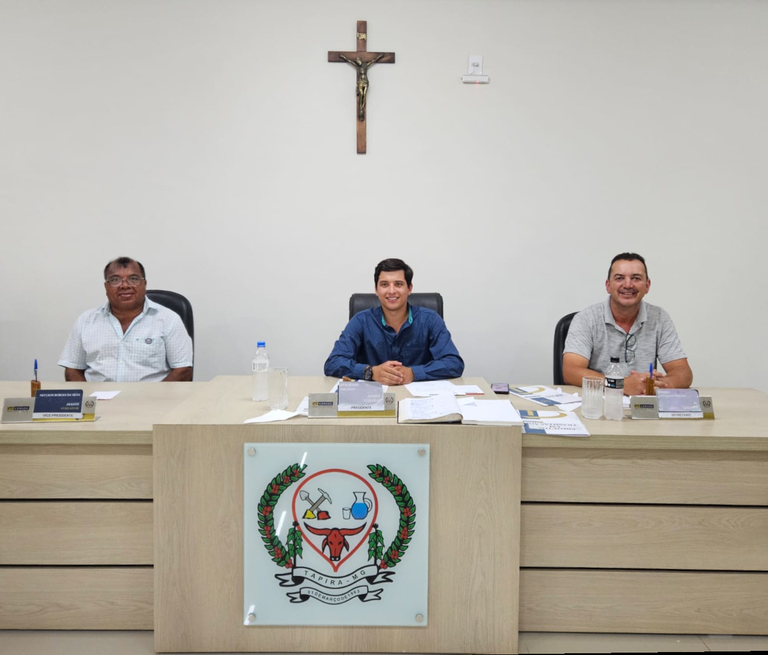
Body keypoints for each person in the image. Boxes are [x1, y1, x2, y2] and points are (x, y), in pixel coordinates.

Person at [563, 252, 692, 395]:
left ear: (647, 286)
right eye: (619, 278)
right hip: (600, 401)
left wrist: (659, 386)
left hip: (643, 403)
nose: (628, 285)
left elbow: (683, 372)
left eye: (636, 278)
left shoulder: (659, 317)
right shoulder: (586, 318)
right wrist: (620, 385)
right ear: (608, 285)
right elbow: (571, 371)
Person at [324, 258, 464, 385]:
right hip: (373, 398)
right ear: (376, 289)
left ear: (409, 288)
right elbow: (333, 363)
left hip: (418, 398)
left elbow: (454, 363)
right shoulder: (361, 321)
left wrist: (414, 373)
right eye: (384, 284)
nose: (391, 291)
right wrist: (371, 372)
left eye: (398, 284)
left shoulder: (430, 319)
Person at [58, 257, 193, 382]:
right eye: (115, 280)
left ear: (144, 284)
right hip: (98, 399)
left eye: (133, 279)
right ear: (106, 286)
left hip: (151, 398)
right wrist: (88, 398)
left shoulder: (168, 319)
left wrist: (154, 397)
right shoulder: (86, 321)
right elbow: (73, 369)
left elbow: (183, 370)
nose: (125, 285)